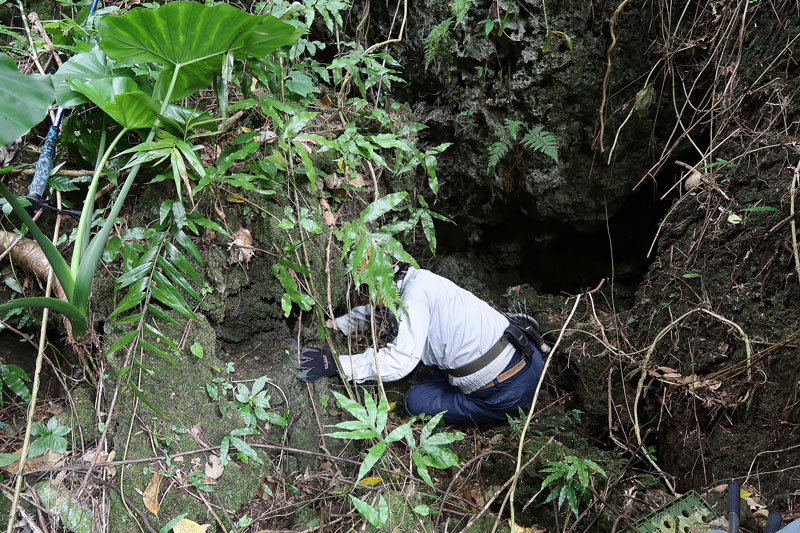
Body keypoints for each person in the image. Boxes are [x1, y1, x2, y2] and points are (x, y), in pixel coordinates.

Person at [294, 263, 544, 426]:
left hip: (505, 394)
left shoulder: (413, 297)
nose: (367, 294)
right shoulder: (418, 282)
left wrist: (336, 365)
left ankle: (491, 413)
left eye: (370, 287)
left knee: (414, 400)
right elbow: (381, 314)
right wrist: (338, 324)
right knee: (428, 375)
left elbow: (401, 361)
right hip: (528, 354)